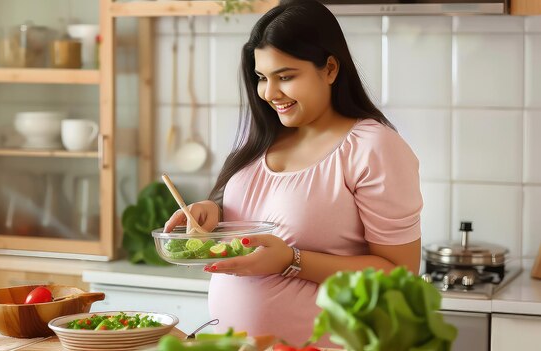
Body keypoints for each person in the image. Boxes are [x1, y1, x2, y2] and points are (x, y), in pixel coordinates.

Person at [164, 0, 422, 346]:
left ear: (330, 69)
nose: (270, 94)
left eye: (285, 77)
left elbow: (401, 277)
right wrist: (215, 214)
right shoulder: (263, 140)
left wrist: (292, 261)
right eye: (261, 78)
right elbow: (261, 221)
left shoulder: (372, 147)